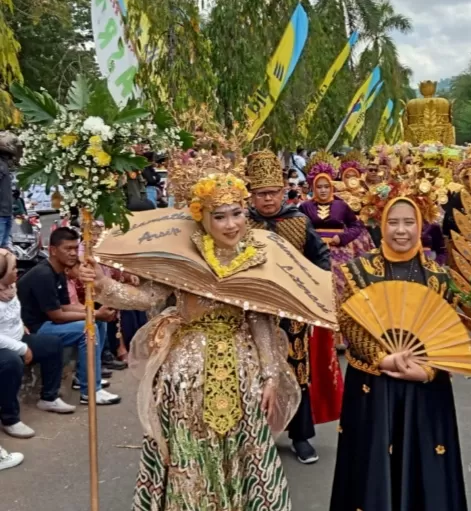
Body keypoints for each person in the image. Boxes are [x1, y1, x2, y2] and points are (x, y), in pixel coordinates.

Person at [80, 154, 329, 510]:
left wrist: (271, 374)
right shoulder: (179, 255)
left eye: (237, 213)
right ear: (202, 216)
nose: (230, 225)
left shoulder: (258, 255)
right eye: (219, 216)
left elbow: (259, 319)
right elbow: (147, 297)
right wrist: (102, 282)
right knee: (190, 448)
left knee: (243, 451)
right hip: (185, 374)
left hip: (244, 371)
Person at [330, 197, 468, 511]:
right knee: (369, 465)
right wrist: (381, 358)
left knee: (425, 466)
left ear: (421, 226)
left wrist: (429, 369)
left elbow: (446, 333)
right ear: (381, 225)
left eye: (409, 222)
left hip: (425, 390)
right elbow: (350, 322)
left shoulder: (439, 278)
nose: (401, 231)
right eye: (393, 223)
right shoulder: (359, 271)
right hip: (372, 387)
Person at [246, 150, 330, 464]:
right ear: (251, 194)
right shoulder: (240, 222)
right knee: (254, 372)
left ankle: (300, 436)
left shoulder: (298, 221)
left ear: (284, 191)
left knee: (295, 372)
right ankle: (256, 433)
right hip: (250, 310)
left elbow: (321, 259)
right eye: (260, 193)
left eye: (273, 193)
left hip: (290, 313)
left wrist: (312, 294)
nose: (267, 199)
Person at [300, 168, 376, 425]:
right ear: (313, 188)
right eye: (318, 187)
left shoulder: (342, 207)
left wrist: (341, 238)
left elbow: (357, 226)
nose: (322, 191)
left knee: (341, 293)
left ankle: (342, 337)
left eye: (326, 187)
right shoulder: (304, 207)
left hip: (338, 255)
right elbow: (298, 229)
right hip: (314, 256)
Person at [17, 228, 121, 405]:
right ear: (53, 250)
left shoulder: (59, 272)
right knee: (89, 327)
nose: (73, 253)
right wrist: (95, 315)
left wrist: (94, 312)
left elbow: (66, 305)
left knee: (98, 323)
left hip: (48, 321)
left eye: (75, 248)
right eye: (68, 249)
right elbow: (57, 316)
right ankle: (90, 390)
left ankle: (84, 377)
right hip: (34, 328)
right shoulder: (43, 274)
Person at [0, 248, 75, 439]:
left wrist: (21, 325)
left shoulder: (9, 288)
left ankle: (49, 398)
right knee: (11, 362)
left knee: (52, 344)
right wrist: (22, 348)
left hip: (15, 337)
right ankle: (10, 419)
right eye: (13, 269)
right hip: (4, 346)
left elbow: (11, 316)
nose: (16, 272)